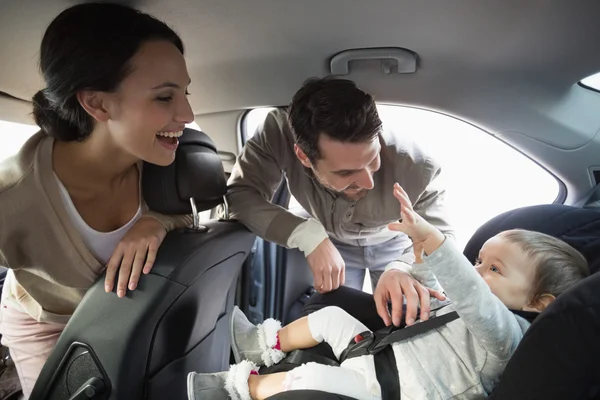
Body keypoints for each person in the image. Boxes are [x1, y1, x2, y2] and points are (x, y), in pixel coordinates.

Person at [188, 183, 589, 400]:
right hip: (379, 354)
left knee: (311, 377)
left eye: (494, 269)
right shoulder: (472, 307)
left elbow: (473, 299)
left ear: (539, 304)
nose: (475, 270)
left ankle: (238, 389)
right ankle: (261, 344)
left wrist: (436, 241)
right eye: (479, 260)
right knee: (329, 317)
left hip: (393, 391)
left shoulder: (509, 337)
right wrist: (419, 258)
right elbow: (432, 291)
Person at [0, 3, 194, 396]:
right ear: (98, 103)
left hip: (127, 318)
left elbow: (201, 215)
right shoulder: (12, 198)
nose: (188, 113)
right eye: (164, 98)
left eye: (185, 94)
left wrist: (157, 222)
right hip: (45, 325)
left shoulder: (171, 164)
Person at [226, 78, 454, 297]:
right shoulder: (277, 133)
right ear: (303, 156)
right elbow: (240, 195)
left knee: (404, 318)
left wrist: (404, 268)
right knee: (338, 316)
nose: (368, 182)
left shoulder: (418, 166)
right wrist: (305, 234)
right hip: (329, 240)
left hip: (395, 244)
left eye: (373, 159)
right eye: (346, 172)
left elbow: (443, 240)